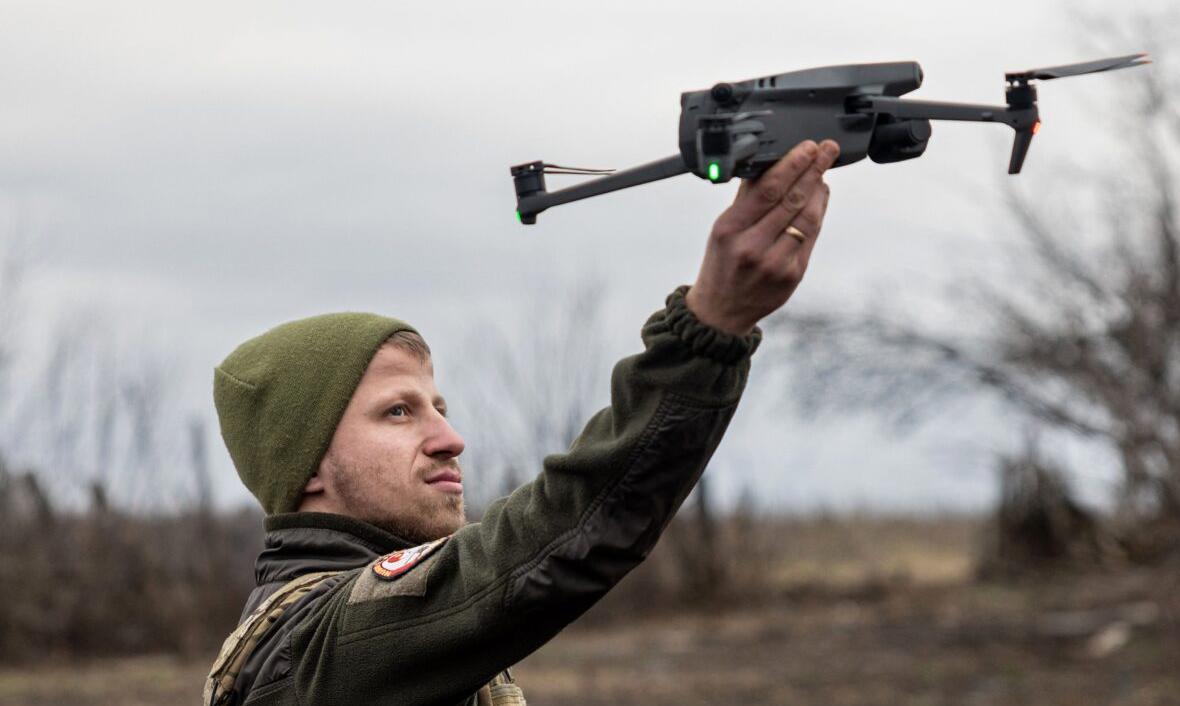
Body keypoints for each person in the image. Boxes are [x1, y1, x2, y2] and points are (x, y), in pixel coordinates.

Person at [204, 138, 840, 706]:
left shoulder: (396, 642)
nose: (449, 440)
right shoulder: (317, 649)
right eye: (397, 412)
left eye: (439, 409)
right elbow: (562, 534)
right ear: (308, 462)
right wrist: (708, 330)